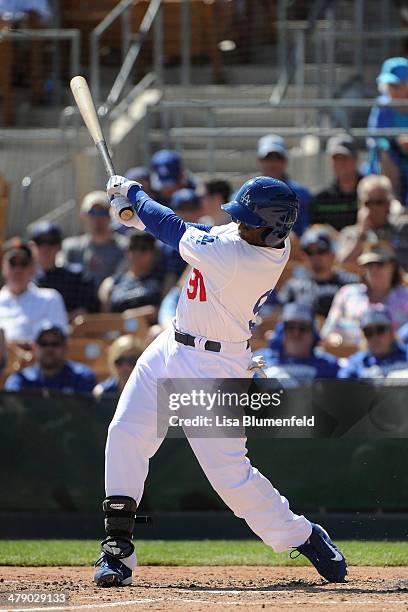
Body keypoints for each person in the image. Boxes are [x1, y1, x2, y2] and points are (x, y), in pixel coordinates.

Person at [92, 174, 347, 587]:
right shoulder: (249, 237)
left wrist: (135, 195)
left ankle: (302, 534)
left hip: (214, 368)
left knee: (229, 478)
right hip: (171, 343)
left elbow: (176, 230)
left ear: (273, 228)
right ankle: (117, 548)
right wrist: (136, 216)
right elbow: (202, 231)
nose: (240, 223)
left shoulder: (242, 258)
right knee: (125, 431)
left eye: (248, 220)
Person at [321, 242, 408, 345]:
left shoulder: (405, 296)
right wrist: (335, 340)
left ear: (393, 266)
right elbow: (328, 332)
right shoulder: (347, 294)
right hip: (350, 356)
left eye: (380, 264)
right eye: (369, 265)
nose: (374, 270)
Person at [278, 226, 359, 317]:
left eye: (321, 251)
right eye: (310, 252)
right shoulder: (293, 287)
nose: (315, 257)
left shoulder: (350, 283)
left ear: (332, 254)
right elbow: (281, 317)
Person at [0, 239, 68, 344]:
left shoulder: (50, 299)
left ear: (33, 268)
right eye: (12, 264)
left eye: (23, 264)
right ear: (3, 267)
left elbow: (58, 342)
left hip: (39, 359)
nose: (18, 270)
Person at [336, 174, 408, 270]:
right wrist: (362, 234)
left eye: (379, 202)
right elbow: (342, 265)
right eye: (368, 203)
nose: (373, 208)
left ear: (389, 204)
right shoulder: (351, 234)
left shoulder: (402, 229)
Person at [255, 304, 339, 385]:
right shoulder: (259, 359)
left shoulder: (329, 365)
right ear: (281, 331)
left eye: (303, 328)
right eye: (290, 327)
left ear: (313, 334)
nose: (296, 333)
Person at [30, 221, 99, 317]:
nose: (45, 248)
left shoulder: (79, 278)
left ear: (59, 246)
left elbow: (88, 310)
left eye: (51, 242)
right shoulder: (24, 279)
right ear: (32, 246)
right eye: (40, 242)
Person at [4, 323, 96, 393]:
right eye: (43, 344)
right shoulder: (20, 380)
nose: (49, 349)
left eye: (55, 344)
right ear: (34, 347)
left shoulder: (81, 377)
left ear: (65, 347)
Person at [61, 191, 128, 287]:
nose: (97, 218)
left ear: (111, 216)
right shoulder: (71, 247)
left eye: (102, 213)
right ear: (83, 216)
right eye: (92, 213)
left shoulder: (124, 247)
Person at [367, 57, 408, 205]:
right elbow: (375, 138)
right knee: (385, 154)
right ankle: (393, 202)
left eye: (396, 85)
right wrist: (396, 142)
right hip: (391, 160)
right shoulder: (382, 107)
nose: (392, 90)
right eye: (389, 85)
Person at [256, 134, 312, 236]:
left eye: (278, 158)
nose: (273, 163)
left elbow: (307, 229)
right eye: (268, 158)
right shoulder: (244, 195)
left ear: (285, 161)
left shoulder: (302, 193)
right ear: (259, 161)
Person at [98, 231, 162, 314]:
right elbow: (105, 315)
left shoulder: (161, 280)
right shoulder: (111, 282)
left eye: (144, 248)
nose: (137, 252)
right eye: (133, 247)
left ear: (153, 253)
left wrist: (132, 314)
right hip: (116, 325)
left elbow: (161, 311)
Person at [338, 305, 408, 378]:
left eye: (380, 330)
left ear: (391, 331)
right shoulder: (357, 364)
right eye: (368, 332)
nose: (375, 337)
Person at [310, 135, 362, 231]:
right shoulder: (321, 197)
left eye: (344, 158)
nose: (340, 163)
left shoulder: (370, 193)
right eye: (336, 159)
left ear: (356, 159)